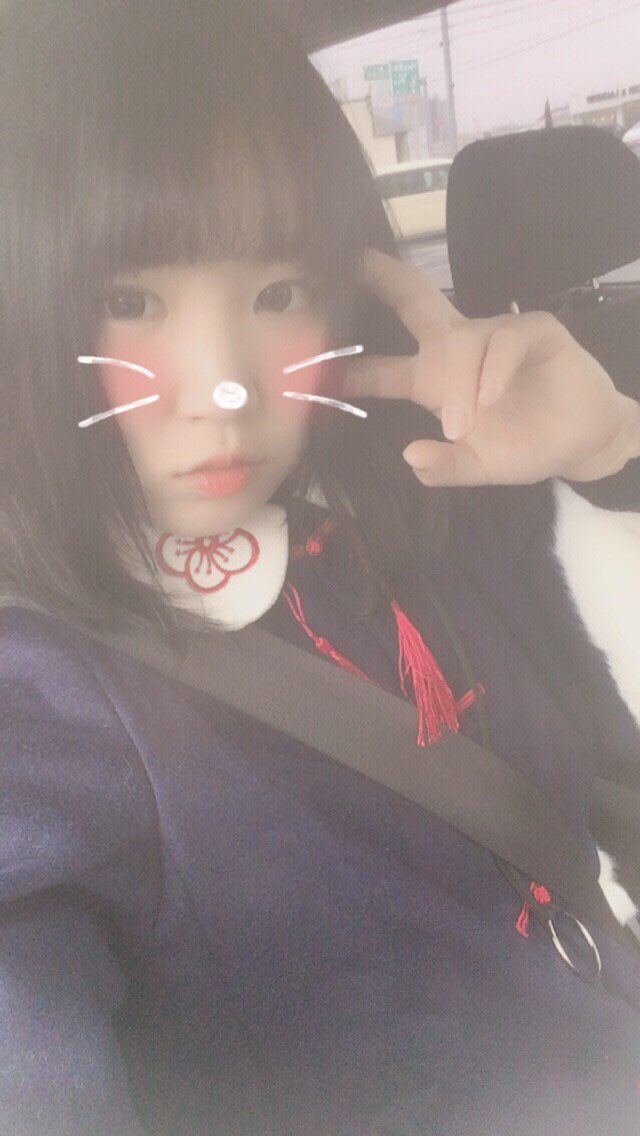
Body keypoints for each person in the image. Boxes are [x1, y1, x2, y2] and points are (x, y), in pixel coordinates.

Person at [1, 2, 639, 1134]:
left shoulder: (437, 484)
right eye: (131, 300)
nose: (224, 389)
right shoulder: (46, 695)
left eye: (278, 293)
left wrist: (612, 452)